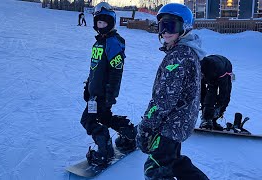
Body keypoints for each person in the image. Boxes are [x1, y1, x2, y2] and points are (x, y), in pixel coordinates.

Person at [136, 3, 209, 180]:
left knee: (155, 170)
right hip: (180, 122)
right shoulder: (188, 51)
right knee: (174, 162)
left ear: (184, 27)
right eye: (162, 26)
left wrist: (146, 127)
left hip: (170, 125)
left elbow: (163, 100)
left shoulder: (178, 56)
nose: (166, 31)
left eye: (172, 26)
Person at [80, 2, 136, 168]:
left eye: (104, 23)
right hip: (95, 92)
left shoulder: (113, 43)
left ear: (111, 23)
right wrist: (88, 87)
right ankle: (129, 134)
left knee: (88, 120)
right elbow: (94, 69)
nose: (101, 26)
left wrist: (110, 94)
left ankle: (105, 151)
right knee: (103, 117)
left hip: (104, 93)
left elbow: (116, 72)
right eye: (99, 22)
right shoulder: (99, 43)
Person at [199, 55, 233, 130]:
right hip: (210, 68)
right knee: (208, 94)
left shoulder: (219, 71)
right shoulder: (197, 70)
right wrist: (204, 106)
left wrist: (219, 106)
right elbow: (202, 92)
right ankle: (206, 119)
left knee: (225, 96)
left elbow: (223, 91)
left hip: (225, 68)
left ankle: (214, 119)